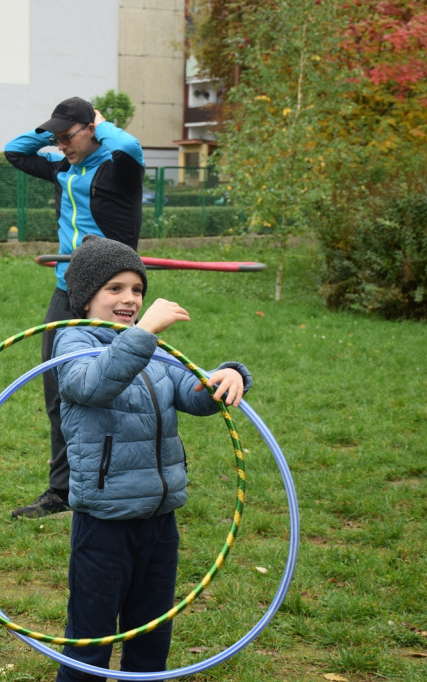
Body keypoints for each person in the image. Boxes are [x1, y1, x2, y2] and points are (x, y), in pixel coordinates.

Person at [51, 235, 251, 679]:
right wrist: (142, 335)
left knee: (152, 630)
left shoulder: (153, 350)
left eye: (137, 290)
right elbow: (91, 385)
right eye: (115, 289)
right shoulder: (72, 344)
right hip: (104, 521)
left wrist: (226, 377)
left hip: (160, 519)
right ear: (85, 298)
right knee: (90, 633)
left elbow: (191, 394)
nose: (129, 299)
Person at [4, 96, 146, 518]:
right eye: (56, 138)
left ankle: (127, 478)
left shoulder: (117, 167)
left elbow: (131, 147)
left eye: (69, 136)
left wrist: (103, 125)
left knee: (120, 390)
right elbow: (14, 150)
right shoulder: (63, 167)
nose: (61, 144)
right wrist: (51, 132)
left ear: (91, 129)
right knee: (60, 389)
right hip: (67, 289)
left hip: (112, 294)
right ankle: (62, 492)